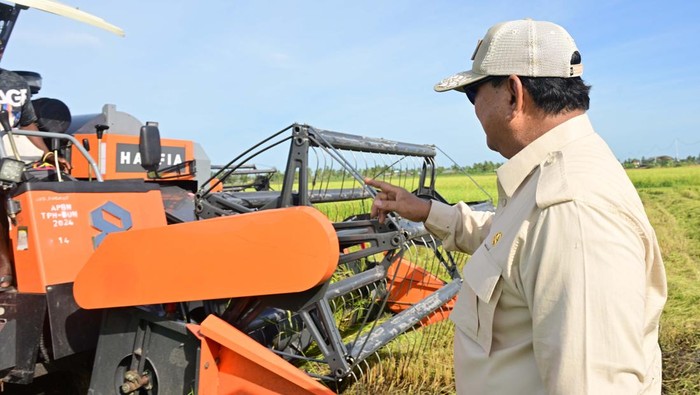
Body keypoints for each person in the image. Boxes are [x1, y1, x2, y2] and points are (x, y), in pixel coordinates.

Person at [366, 19, 667, 394]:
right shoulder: (550, 179)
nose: (474, 109)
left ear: (513, 93)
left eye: (473, 92)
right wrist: (427, 211)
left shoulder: (572, 211)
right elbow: (510, 238)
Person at [0, 68, 71, 291]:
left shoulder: (15, 82)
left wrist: (48, 155)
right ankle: (5, 268)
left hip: (8, 156)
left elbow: (28, 124)